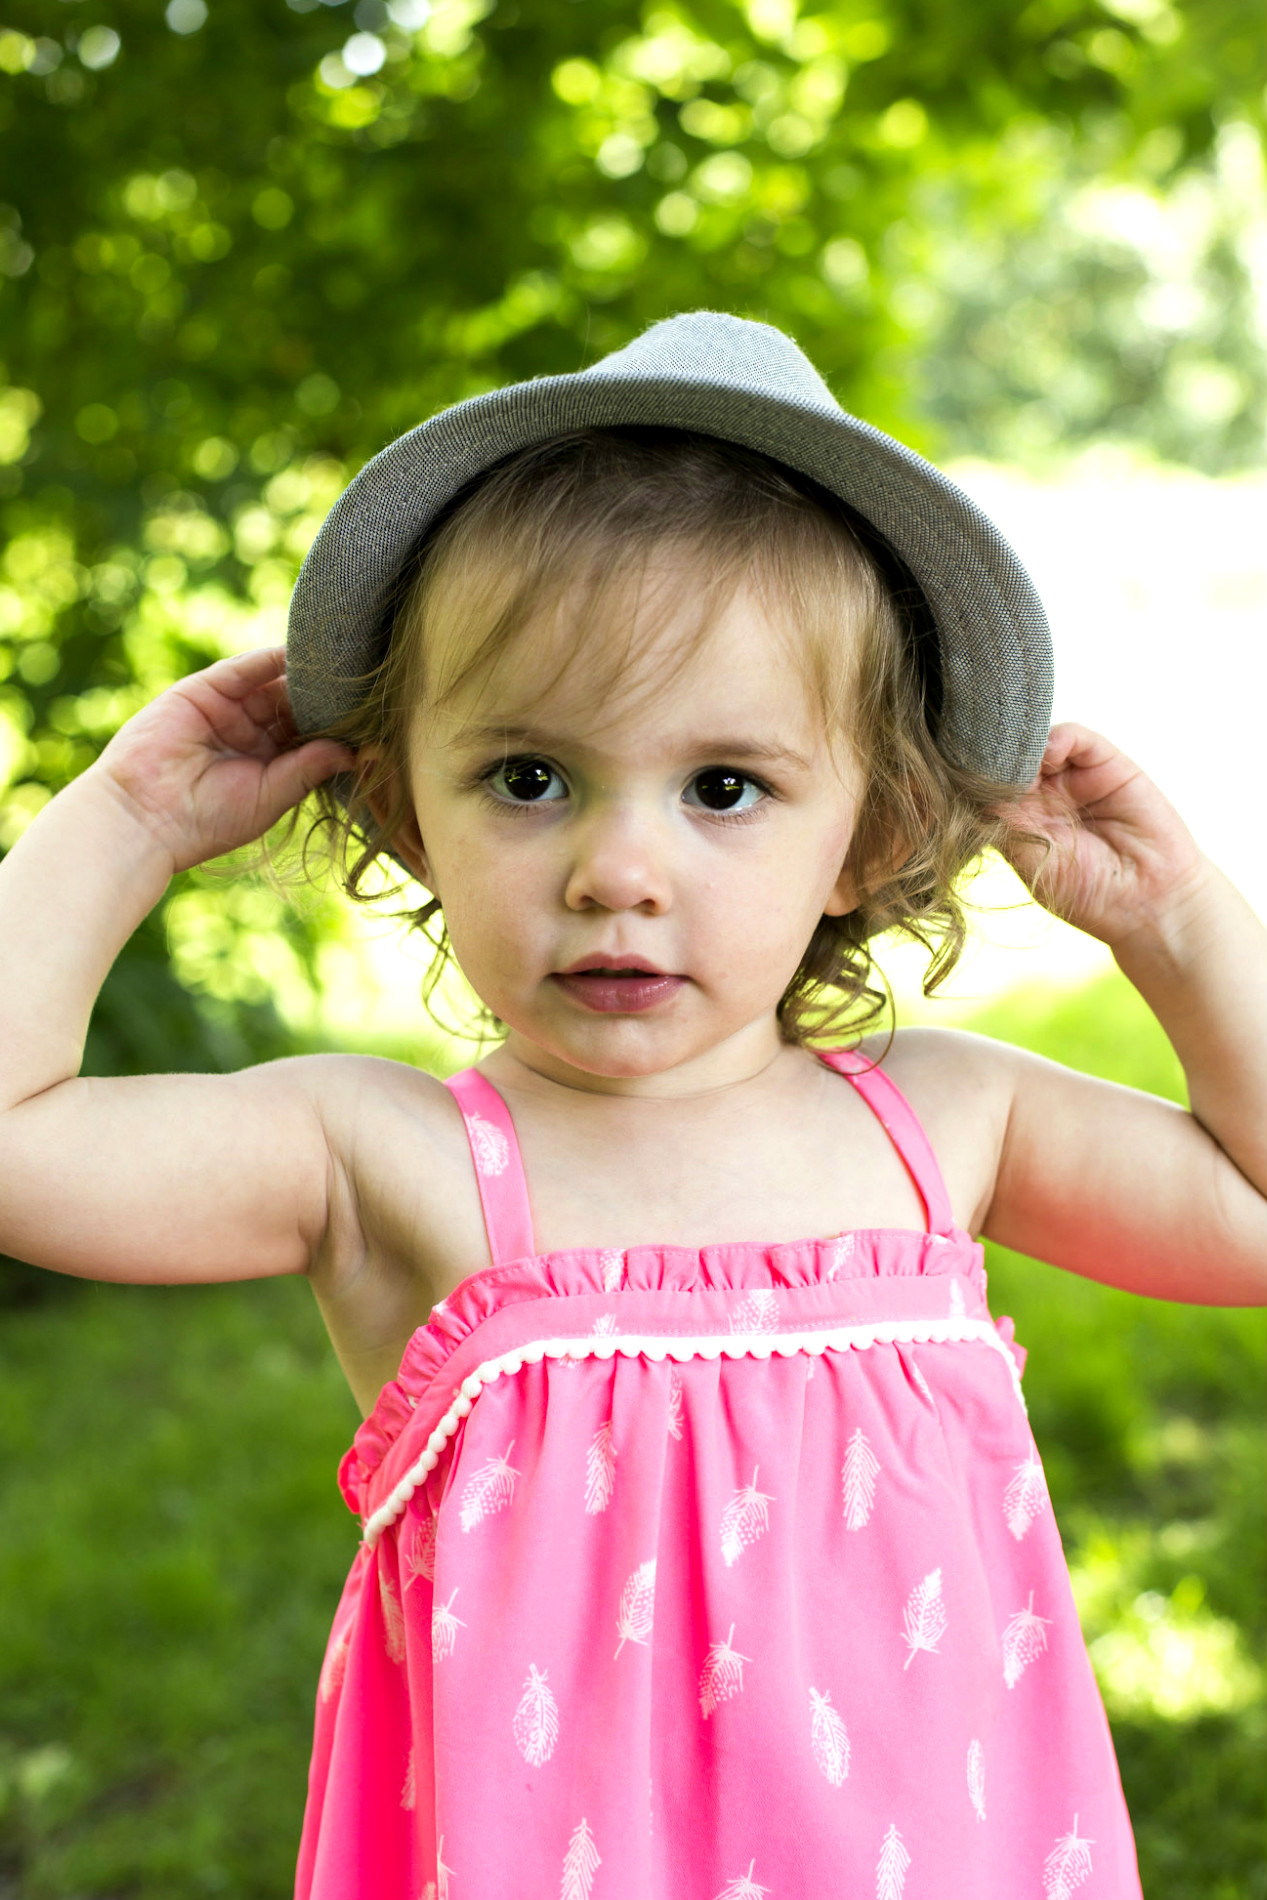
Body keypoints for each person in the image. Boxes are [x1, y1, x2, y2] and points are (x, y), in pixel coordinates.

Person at [1, 313, 1263, 1900]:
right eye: (530, 778)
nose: (616, 872)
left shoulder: (944, 1126)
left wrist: (1176, 919)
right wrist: (122, 824)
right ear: (407, 809)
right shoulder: (386, 1159)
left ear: (867, 835)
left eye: (724, 788)